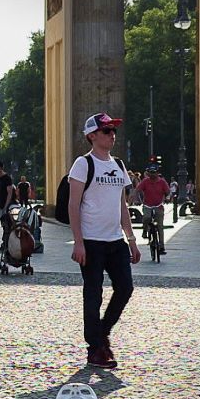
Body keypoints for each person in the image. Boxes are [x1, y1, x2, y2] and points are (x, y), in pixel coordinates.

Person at [68, 113, 140, 369]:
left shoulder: (118, 165)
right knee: (93, 293)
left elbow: (122, 205)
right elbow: (73, 205)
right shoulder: (83, 164)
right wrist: (78, 242)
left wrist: (131, 239)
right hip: (91, 241)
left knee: (126, 287)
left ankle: (103, 332)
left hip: (114, 241)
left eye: (113, 131)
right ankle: (95, 348)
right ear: (92, 135)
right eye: (107, 131)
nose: (112, 135)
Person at [135, 166, 170, 254]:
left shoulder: (162, 182)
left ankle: (161, 247)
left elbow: (168, 192)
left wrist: (167, 198)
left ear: (157, 173)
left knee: (160, 227)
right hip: (147, 205)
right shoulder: (145, 181)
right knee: (146, 217)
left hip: (158, 205)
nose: (152, 174)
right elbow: (137, 190)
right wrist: (137, 199)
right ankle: (145, 230)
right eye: (150, 172)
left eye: (154, 172)